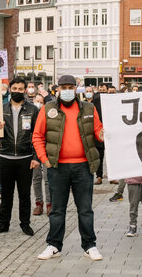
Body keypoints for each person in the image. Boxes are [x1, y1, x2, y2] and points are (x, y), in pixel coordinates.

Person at [34, 75, 105, 261]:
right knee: (57, 209)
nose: (67, 91)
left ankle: (90, 245)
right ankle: (53, 245)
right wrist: (45, 160)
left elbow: (97, 130)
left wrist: (102, 134)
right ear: (57, 89)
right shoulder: (48, 109)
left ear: (76, 88)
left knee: (85, 209)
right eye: (63, 87)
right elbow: (37, 136)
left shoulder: (89, 108)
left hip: (83, 166)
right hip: (57, 168)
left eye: (70, 87)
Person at [0, 77, 39, 236]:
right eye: (14, 88)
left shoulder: (32, 110)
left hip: (25, 159)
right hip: (6, 157)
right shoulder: (1, 109)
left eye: (20, 89)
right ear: (9, 89)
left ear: (25, 91)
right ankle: (3, 223)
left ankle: (25, 224)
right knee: (6, 194)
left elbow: (38, 135)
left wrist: (36, 157)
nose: (17, 91)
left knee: (25, 194)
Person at [85, 86, 105, 185]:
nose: (88, 93)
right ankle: (97, 175)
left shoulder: (97, 103)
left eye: (90, 91)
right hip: (88, 134)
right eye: (87, 91)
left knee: (101, 155)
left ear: (93, 93)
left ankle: (102, 176)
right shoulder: (82, 104)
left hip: (98, 132)